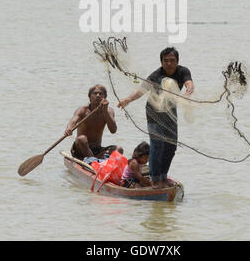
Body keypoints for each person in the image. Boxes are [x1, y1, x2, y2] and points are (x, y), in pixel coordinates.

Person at [118, 47, 194, 189]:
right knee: (157, 145)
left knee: (171, 147)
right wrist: (128, 99)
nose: (169, 63)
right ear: (161, 62)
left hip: (170, 113)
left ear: (177, 61)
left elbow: (189, 84)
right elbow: (141, 90)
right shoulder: (156, 75)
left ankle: (163, 177)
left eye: (172, 60)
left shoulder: (183, 71)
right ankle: (155, 179)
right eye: (165, 61)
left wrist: (188, 94)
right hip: (154, 114)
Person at [64, 84, 122, 160]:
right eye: (95, 93)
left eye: (101, 94)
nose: (98, 96)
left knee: (118, 149)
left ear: (104, 98)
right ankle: (94, 162)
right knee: (82, 139)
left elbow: (113, 130)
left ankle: (98, 161)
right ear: (90, 97)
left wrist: (105, 111)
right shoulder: (83, 110)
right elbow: (73, 120)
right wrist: (69, 128)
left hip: (97, 149)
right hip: (80, 148)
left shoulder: (109, 111)